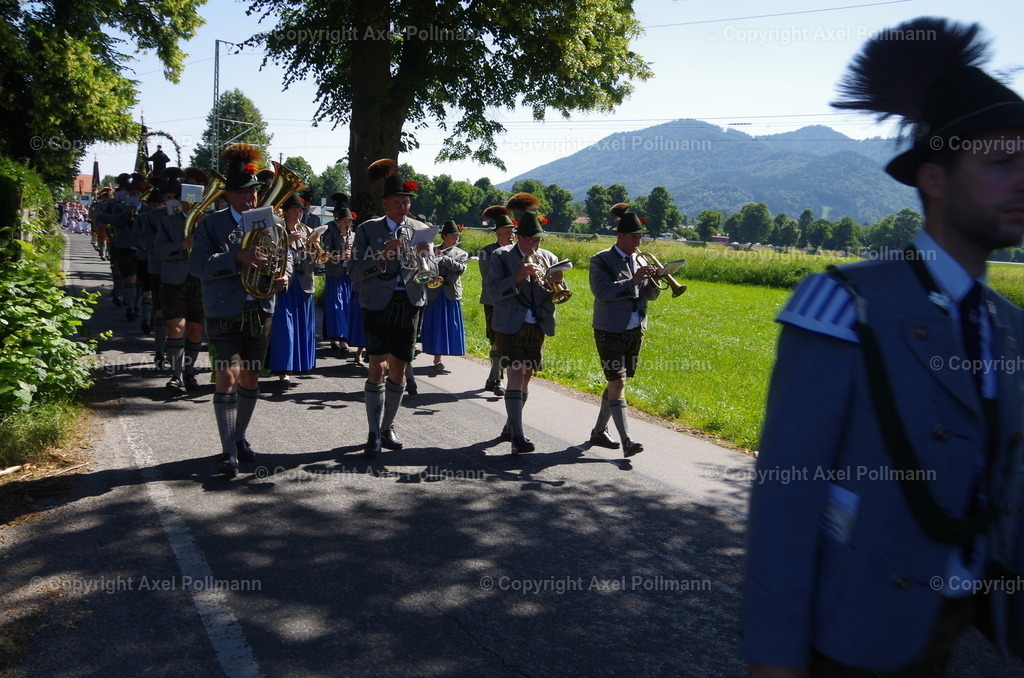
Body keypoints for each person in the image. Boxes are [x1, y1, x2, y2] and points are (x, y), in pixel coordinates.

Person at [742, 17, 1024, 676]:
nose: (1023, 182)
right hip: (852, 638)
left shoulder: (1012, 326)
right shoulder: (844, 304)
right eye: (1002, 163)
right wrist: (773, 665)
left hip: (956, 630)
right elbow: (786, 503)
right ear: (933, 179)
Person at [188, 143, 290, 477]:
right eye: (243, 194)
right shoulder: (210, 224)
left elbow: (280, 259)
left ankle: (240, 436)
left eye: (255, 193)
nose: (251, 198)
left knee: (250, 375)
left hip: (260, 308)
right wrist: (236, 258)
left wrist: (280, 277)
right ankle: (228, 450)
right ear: (229, 195)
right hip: (223, 310)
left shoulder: (271, 222)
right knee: (226, 374)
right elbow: (198, 265)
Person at [349, 161, 431, 456]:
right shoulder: (368, 229)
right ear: (385, 204)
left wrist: (427, 258)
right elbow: (354, 271)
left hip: (409, 304)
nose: (403, 205)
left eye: (406, 201)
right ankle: (372, 432)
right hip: (377, 304)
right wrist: (381, 256)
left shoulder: (421, 229)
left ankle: (388, 426)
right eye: (397, 201)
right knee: (377, 367)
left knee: (398, 368)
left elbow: (430, 272)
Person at [487, 193, 565, 454]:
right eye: (530, 239)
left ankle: (511, 424)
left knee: (527, 377)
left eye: (538, 240)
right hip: (511, 323)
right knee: (515, 373)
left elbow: (558, 291)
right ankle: (518, 437)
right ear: (518, 236)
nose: (534, 244)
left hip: (537, 324)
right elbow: (494, 292)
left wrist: (557, 283)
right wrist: (518, 276)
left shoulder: (548, 257)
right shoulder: (500, 256)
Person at [588, 209, 660, 457]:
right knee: (617, 381)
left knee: (618, 381)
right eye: (634, 238)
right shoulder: (601, 260)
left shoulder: (640, 260)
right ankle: (627, 440)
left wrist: (654, 281)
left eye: (640, 238)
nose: (638, 243)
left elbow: (650, 296)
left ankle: (598, 431)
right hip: (609, 329)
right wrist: (632, 282)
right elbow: (601, 291)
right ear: (620, 236)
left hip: (635, 328)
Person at [154, 169, 207, 392]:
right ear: (181, 199)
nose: (192, 202)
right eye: (188, 197)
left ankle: (189, 372)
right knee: (176, 327)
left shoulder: (208, 223)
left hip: (200, 280)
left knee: (195, 330)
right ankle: (175, 375)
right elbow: (159, 250)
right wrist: (182, 246)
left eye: (196, 197)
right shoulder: (169, 221)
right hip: (174, 281)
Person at [267, 194, 317, 386]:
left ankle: (300, 365)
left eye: (301, 212)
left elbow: (314, 263)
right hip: (285, 283)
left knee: (302, 327)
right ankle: (283, 369)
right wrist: (287, 241)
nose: (298, 215)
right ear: (285, 213)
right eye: (294, 211)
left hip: (303, 284)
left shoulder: (307, 231)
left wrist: (314, 248)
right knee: (284, 327)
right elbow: (271, 255)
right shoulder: (276, 231)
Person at [422, 220, 468, 371]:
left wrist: (444, 258)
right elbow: (426, 268)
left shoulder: (461, 253)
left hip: (450, 293)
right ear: (445, 236)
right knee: (435, 325)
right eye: (453, 236)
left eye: (457, 236)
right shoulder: (432, 249)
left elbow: (460, 269)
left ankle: (449, 351)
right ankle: (437, 358)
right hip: (435, 292)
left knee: (449, 325)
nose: (456, 239)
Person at [479, 205, 516, 395]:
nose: (511, 234)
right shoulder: (486, 251)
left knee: (504, 340)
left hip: (513, 302)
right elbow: (488, 277)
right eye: (507, 231)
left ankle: (495, 378)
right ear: (498, 232)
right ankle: (497, 377)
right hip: (493, 301)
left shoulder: (517, 250)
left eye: (512, 231)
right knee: (496, 339)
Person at [322, 193, 357, 355]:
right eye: (345, 221)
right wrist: (339, 257)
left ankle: (344, 340)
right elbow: (325, 256)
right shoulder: (331, 235)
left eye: (349, 221)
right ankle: (335, 339)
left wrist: (353, 256)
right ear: (339, 222)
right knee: (336, 307)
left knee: (347, 307)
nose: (348, 224)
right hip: (335, 274)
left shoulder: (354, 236)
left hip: (348, 275)